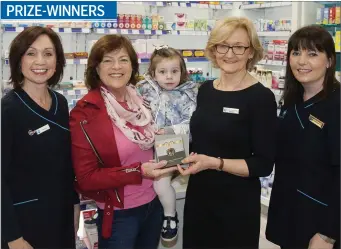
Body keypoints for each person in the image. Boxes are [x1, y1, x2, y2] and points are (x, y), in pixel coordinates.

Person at [177, 17, 277, 248]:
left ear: (251, 52)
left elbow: (262, 164)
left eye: (239, 47)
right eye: (223, 45)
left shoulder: (261, 98)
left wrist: (214, 163)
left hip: (236, 206)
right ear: (213, 49)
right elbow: (202, 141)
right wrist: (174, 154)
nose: (229, 54)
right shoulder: (205, 90)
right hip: (199, 198)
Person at [69, 34, 178, 249]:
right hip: (120, 215)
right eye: (107, 60)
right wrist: (139, 172)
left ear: (133, 66)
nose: (116, 67)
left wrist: (177, 157)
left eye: (123, 59)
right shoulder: (85, 113)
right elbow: (86, 178)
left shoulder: (141, 100)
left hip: (153, 204)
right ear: (96, 68)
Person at [1, 26, 80, 249]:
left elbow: (66, 164)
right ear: (18, 60)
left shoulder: (60, 103)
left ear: (57, 60)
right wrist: (13, 237)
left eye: (48, 53)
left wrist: (75, 207)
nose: (40, 61)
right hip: (25, 225)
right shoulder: (8, 111)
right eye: (31, 53)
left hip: (62, 218)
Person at [266, 25, 340, 249]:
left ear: (329, 61)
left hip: (320, 221)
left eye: (312, 54)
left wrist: (328, 233)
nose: (301, 61)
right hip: (289, 211)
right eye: (296, 52)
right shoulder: (291, 101)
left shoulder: (336, 106)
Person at [136, 45, 198, 243]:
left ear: (183, 72)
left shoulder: (188, 94)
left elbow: (193, 122)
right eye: (162, 72)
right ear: (153, 74)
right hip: (147, 147)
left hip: (175, 145)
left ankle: (170, 215)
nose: (169, 77)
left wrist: (171, 131)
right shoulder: (144, 90)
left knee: (160, 184)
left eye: (174, 71)